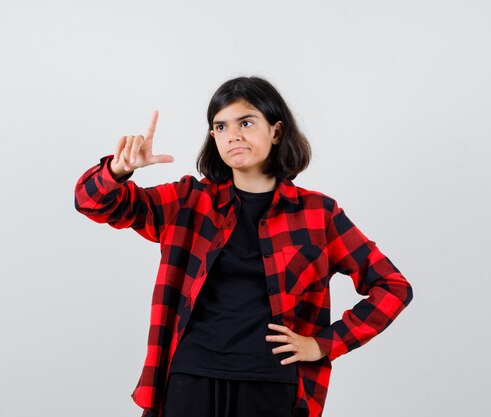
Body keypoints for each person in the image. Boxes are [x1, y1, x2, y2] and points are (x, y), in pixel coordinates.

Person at [74, 76, 413, 417]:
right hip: (191, 376)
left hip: (271, 382)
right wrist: (118, 170)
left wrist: (323, 345)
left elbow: (392, 287)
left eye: (246, 123)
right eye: (220, 127)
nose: (232, 135)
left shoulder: (317, 214)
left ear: (276, 132)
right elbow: (94, 202)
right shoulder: (189, 201)